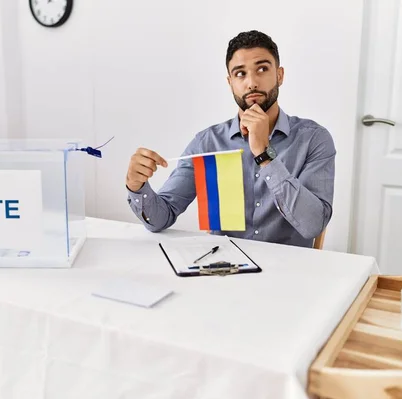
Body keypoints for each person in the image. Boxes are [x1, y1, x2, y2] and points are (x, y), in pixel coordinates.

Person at [125, 30, 336, 248]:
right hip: (223, 270)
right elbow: (162, 218)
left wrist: (264, 155)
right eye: (240, 74)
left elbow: (313, 225)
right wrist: (136, 186)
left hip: (289, 272)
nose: (251, 83)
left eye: (262, 69)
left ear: (279, 75)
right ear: (230, 82)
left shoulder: (313, 139)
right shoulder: (208, 142)